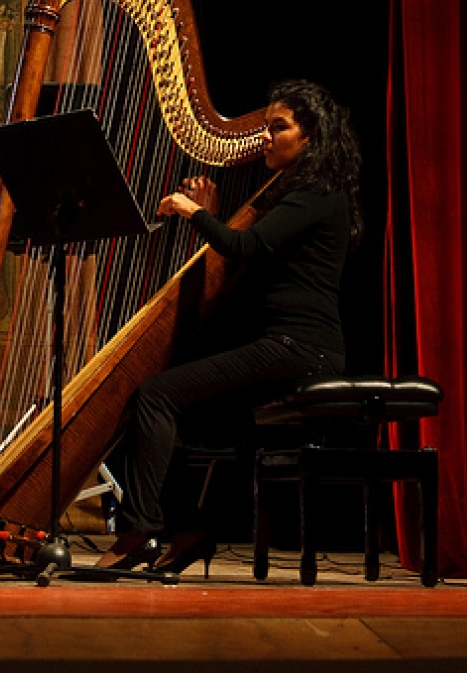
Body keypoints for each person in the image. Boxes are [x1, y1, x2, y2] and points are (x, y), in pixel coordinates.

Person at [95, 78, 363, 574]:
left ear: (311, 136)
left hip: (301, 347)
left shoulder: (314, 191)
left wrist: (192, 210)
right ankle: (192, 528)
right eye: (264, 127)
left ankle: (136, 530)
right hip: (290, 344)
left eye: (277, 127)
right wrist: (213, 218)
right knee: (187, 412)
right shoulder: (299, 192)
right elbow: (248, 250)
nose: (264, 137)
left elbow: (249, 248)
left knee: (156, 394)